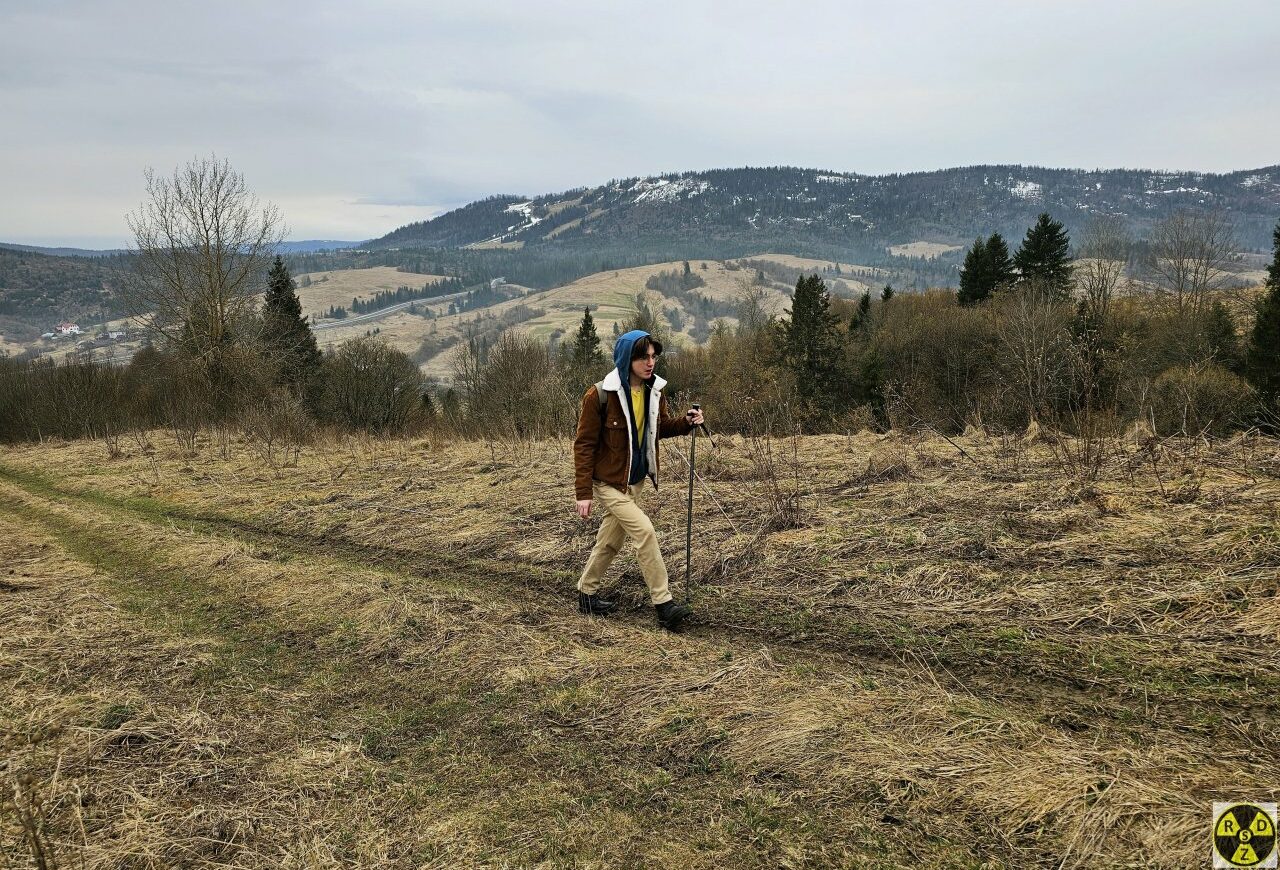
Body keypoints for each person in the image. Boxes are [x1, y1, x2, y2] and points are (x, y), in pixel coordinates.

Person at [572, 329, 705, 631]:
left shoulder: (653, 391)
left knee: (610, 541)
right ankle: (664, 604)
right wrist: (583, 491)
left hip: (635, 482)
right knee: (645, 531)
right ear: (626, 358)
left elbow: (660, 429)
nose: (650, 362)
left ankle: (586, 593)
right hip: (608, 482)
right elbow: (583, 445)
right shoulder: (599, 395)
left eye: (653, 356)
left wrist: (686, 422)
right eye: (643, 357)